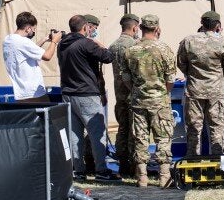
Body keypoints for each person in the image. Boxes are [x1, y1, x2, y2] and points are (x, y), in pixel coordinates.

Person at [57, 14, 120, 181]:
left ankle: (78, 171)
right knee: (96, 133)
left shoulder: (62, 44)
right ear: (85, 28)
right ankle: (101, 171)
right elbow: (108, 57)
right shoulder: (86, 44)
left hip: (68, 94)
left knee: (74, 135)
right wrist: (97, 43)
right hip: (86, 95)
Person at [123, 14, 177, 187]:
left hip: (138, 101)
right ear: (157, 29)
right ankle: (164, 176)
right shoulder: (165, 49)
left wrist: (137, 91)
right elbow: (170, 79)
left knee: (140, 138)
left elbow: (126, 79)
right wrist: (163, 93)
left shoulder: (131, 50)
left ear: (141, 28)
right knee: (163, 138)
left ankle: (142, 177)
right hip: (160, 101)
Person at [177, 11, 224, 156]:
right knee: (217, 129)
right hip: (216, 92)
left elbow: (181, 64)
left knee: (194, 130)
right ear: (217, 25)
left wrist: (194, 74)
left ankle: (193, 164)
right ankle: (217, 164)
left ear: (201, 23)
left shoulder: (188, 41)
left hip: (194, 91)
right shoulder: (223, 41)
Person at [108, 13, 142, 173]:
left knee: (122, 129)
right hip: (133, 94)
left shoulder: (113, 46)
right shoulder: (134, 46)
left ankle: (122, 163)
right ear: (135, 27)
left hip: (119, 94)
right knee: (134, 131)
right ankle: (135, 165)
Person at [2, 11, 59, 100]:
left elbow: (28, 51)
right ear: (28, 28)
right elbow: (47, 56)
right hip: (33, 92)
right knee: (50, 113)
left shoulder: (8, 40)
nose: (33, 32)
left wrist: (44, 39)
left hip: (20, 92)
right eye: (33, 29)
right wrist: (54, 41)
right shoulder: (24, 42)